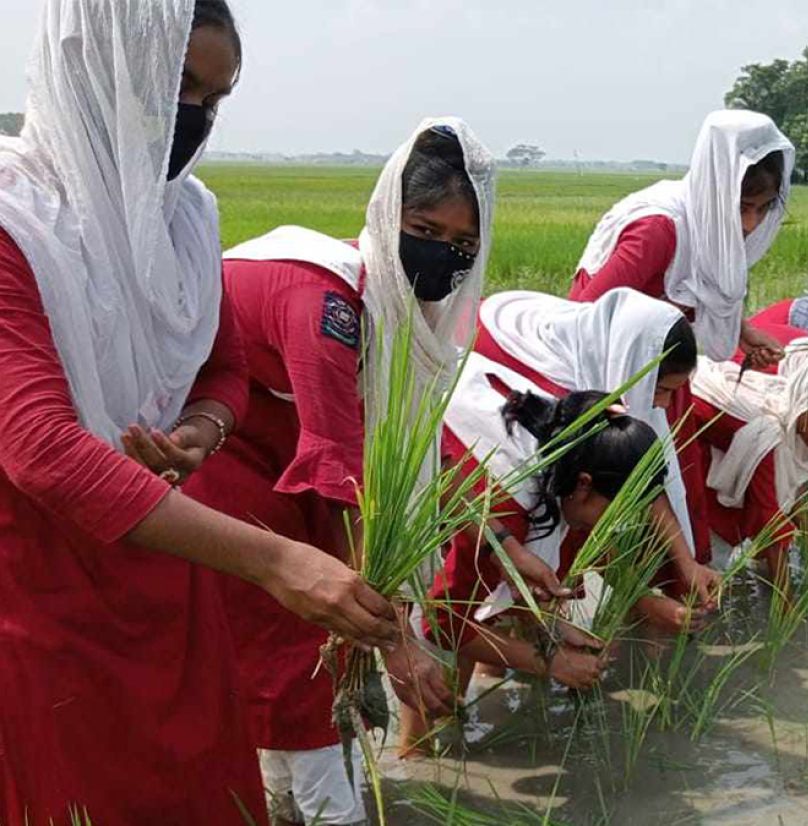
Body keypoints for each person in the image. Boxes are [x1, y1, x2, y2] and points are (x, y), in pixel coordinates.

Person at [0, 2, 399, 822]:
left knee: (198, 789)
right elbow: (37, 445)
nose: (193, 118)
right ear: (101, 64)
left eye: (215, 100)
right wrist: (279, 561)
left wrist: (201, 430)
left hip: (168, 558)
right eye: (177, 85)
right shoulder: (17, 219)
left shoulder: (185, 218)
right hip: (41, 586)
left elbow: (224, 367)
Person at [185, 118, 495, 825]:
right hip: (229, 452)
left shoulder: (391, 309)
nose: (441, 253)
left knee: (312, 639)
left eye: (462, 245)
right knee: (302, 641)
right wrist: (393, 637)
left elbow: (405, 442)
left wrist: (488, 537)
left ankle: (285, 801)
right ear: (390, 214)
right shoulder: (327, 302)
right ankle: (330, 811)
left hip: (283, 453)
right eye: (425, 226)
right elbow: (338, 469)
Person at [409, 384, 665, 748]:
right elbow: (438, 621)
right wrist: (552, 663)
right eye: (613, 511)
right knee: (425, 710)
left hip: (452, 464)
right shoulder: (504, 507)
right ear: (584, 485)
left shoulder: (565, 451)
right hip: (415, 480)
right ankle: (415, 764)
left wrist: (554, 629)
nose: (607, 527)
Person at [468, 288, 720, 627]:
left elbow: (640, 474)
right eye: (660, 391)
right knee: (503, 574)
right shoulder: (567, 411)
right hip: (483, 463)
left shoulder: (618, 363)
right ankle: (504, 657)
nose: (662, 405)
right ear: (632, 367)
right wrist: (642, 599)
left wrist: (685, 563)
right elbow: (587, 518)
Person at [569, 109, 794, 367]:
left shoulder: (712, 228)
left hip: (654, 359)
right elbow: (585, 321)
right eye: (742, 207)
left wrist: (739, 331)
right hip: (601, 361)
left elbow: (701, 288)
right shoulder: (657, 230)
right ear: (716, 193)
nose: (751, 224)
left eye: (763, 208)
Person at [687, 340, 808, 591]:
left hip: (710, 446)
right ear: (805, 408)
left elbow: (781, 491)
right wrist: (785, 602)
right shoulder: (770, 432)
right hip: (687, 436)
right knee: (704, 563)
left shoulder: (789, 408)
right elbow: (769, 520)